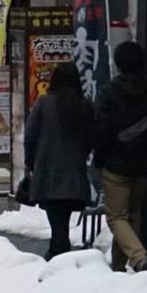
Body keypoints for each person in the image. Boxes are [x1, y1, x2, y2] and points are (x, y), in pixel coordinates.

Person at [94, 39, 147, 272]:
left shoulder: (109, 93)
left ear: (118, 64)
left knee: (116, 217)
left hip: (116, 163)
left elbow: (101, 129)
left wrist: (100, 157)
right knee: (132, 214)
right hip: (144, 164)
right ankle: (118, 268)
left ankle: (138, 257)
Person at [23, 60, 94, 258]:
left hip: (48, 171)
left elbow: (30, 135)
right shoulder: (85, 105)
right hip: (74, 174)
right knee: (63, 217)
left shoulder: (44, 103)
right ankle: (59, 249)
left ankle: (58, 252)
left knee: (56, 218)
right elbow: (92, 137)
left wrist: (30, 162)